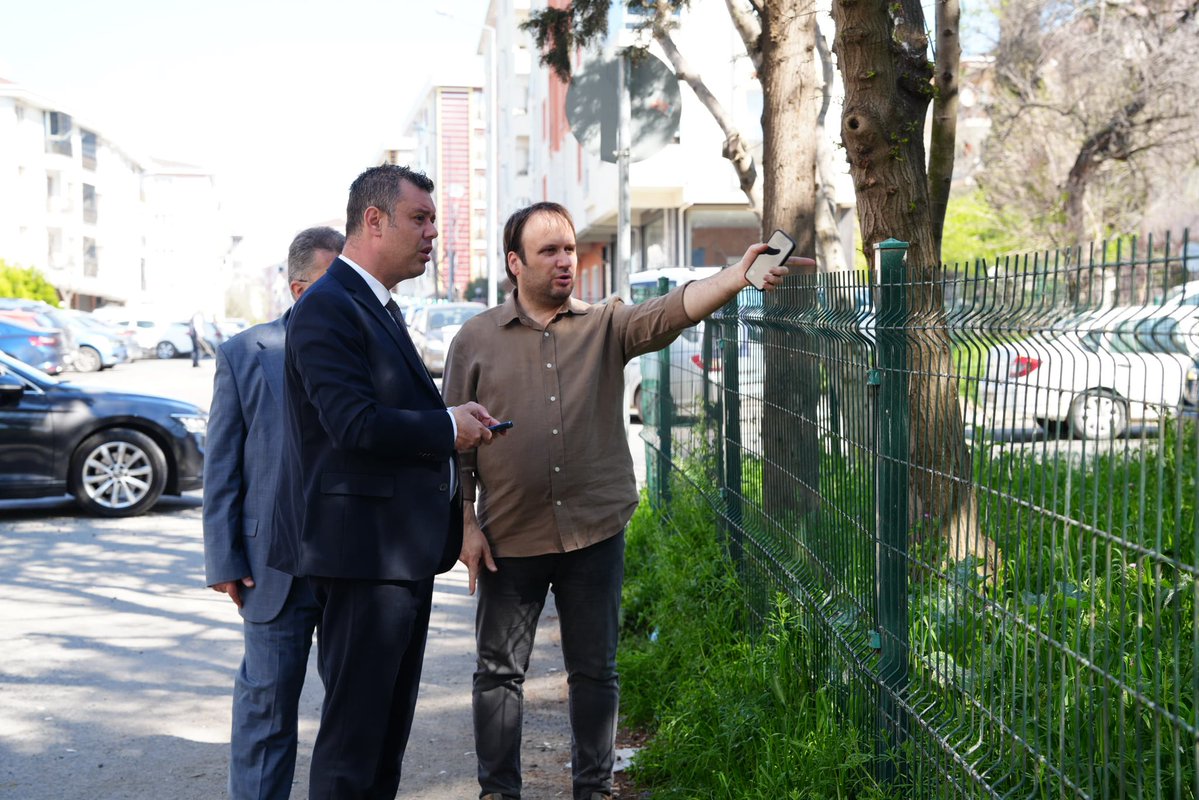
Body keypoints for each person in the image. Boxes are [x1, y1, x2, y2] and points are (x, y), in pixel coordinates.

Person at [441, 202, 811, 800]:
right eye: (549, 251)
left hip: (595, 532)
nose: (565, 260)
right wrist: (465, 523)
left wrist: (736, 276)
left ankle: (594, 788)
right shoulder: (475, 340)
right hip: (509, 537)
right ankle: (498, 792)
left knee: (595, 672)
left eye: (568, 248)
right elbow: (453, 448)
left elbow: (672, 310)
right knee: (499, 674)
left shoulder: (604, 324)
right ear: (515, 263)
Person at [268, 164, 502, 799]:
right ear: (374, 221)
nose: (433, 234)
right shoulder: (327, 307)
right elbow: (353, 425)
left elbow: (385, 409)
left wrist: (451, 418)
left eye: (434, 220)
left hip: (395, 556)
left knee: (384, 738)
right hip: (364, 559)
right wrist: (445, 427)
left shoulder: (375, 304)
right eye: (420, 219)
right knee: (354, 743)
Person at [202, 226, 344, 800]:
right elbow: (222, 466)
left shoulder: (367, 348)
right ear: (299, 288)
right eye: (335, 281)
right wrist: (224, 559)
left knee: (351, 713)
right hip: (269, 567)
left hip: (350, 562)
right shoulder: (243, 353)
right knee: (265, 710)